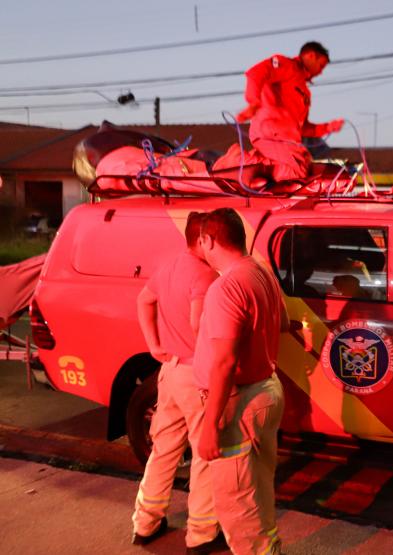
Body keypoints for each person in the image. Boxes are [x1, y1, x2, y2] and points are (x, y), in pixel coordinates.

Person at [194, 208, 288, 555]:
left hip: (240, 403)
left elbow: (224, 361)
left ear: (209, 240)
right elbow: (283, 321)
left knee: (239, 509)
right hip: (266, 390)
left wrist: (209, 424)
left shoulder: (226, 287)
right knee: (259, 493)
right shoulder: (259, 272)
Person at [131, 212, 222, 552]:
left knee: (164, 449)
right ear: (202, 240)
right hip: (197, 374)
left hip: (168, 372)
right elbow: (200, 325)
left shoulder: (169, 266)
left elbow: (144, 300)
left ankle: (146, 522)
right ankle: (201, 534)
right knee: (205, 455)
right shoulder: (207, 276)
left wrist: (154, 344)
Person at [237, 41, 344, 181]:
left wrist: (328, 127)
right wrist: (254, 101)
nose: (321, 71)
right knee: (293, 173)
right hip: (271, 134)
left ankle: (263, 181)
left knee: (306, 169)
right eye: (321, 65)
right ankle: (238, 164)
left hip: (289, 142)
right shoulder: (288, 66)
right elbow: (256, 73)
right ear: (311, 56)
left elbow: (303, 128)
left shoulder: (304, 91)